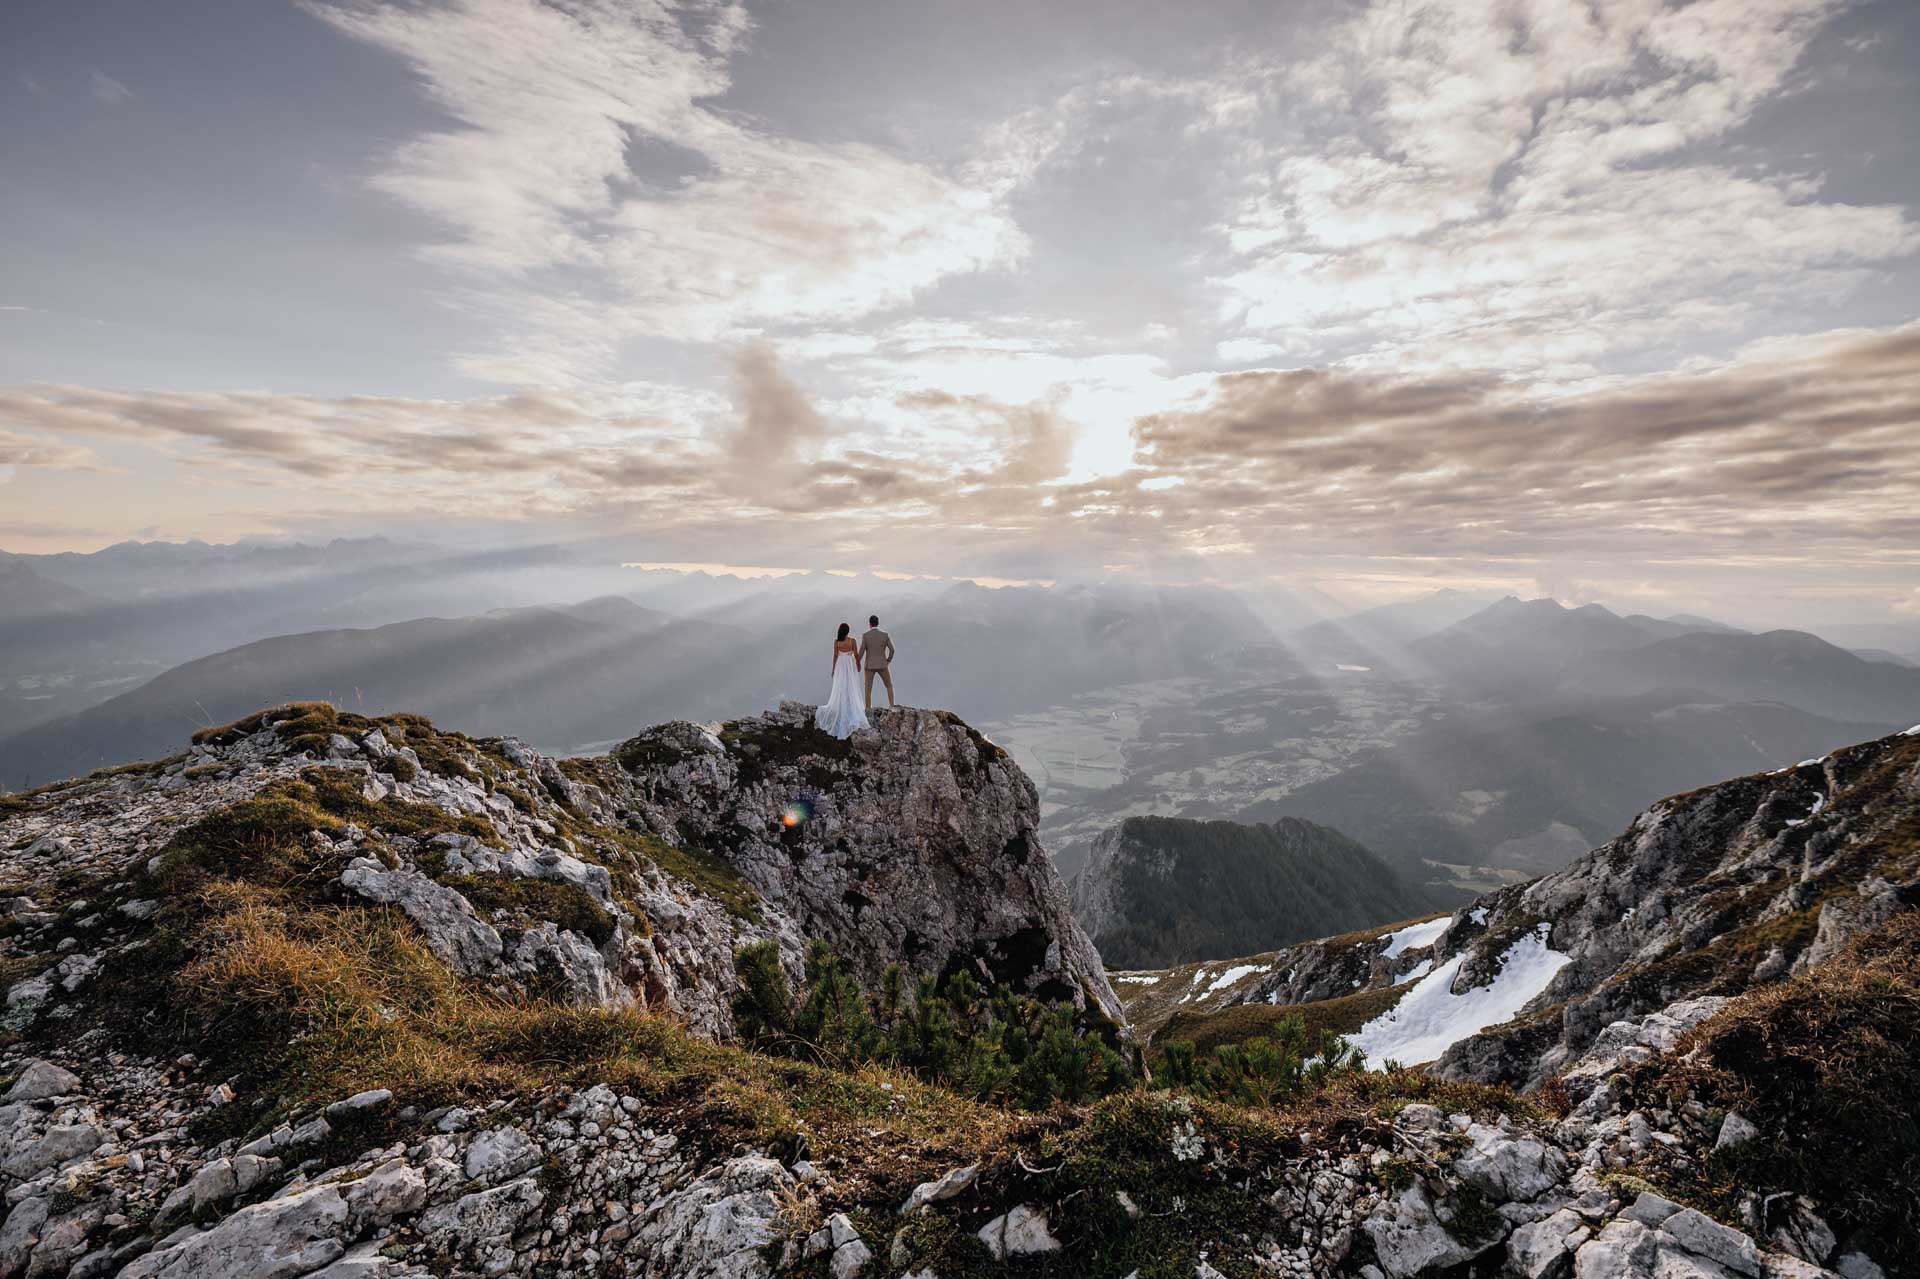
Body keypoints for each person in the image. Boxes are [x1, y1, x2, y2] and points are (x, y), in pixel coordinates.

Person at [815, 622, 870, 739]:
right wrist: (858, 665)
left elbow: (835, 656)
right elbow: (855, 654)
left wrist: (834, 668)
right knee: (851, 686)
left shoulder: (837, 642)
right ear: (847, 631)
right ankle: (850, 707)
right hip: (849, 665)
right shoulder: (852, 641)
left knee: (841, 686)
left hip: (840, 665)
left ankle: (842, 707)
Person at [860, 614, 896, 710]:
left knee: (868, 689)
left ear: (870, 624)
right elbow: (892, 650)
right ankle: (892, 706)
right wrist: (888, 660)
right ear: (878, 623)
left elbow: (861, 652)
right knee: (889, 685)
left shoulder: (865, 636)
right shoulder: (885, 635)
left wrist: (856, 662)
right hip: (883, 665)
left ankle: (868, 709)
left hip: (869, 666)